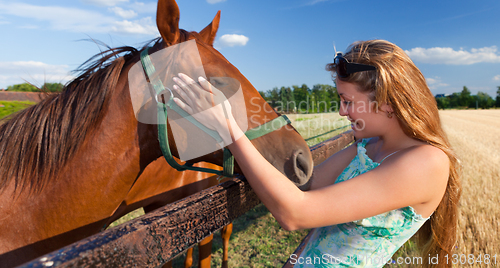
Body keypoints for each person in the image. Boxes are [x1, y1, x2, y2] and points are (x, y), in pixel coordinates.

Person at [172, 39, 461, 268]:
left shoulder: (427, 163)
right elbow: (303, 187)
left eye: (347, 101)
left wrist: (228, 130)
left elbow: (295, 213)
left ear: (386, 103)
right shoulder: (368, 148)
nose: (341, 111)